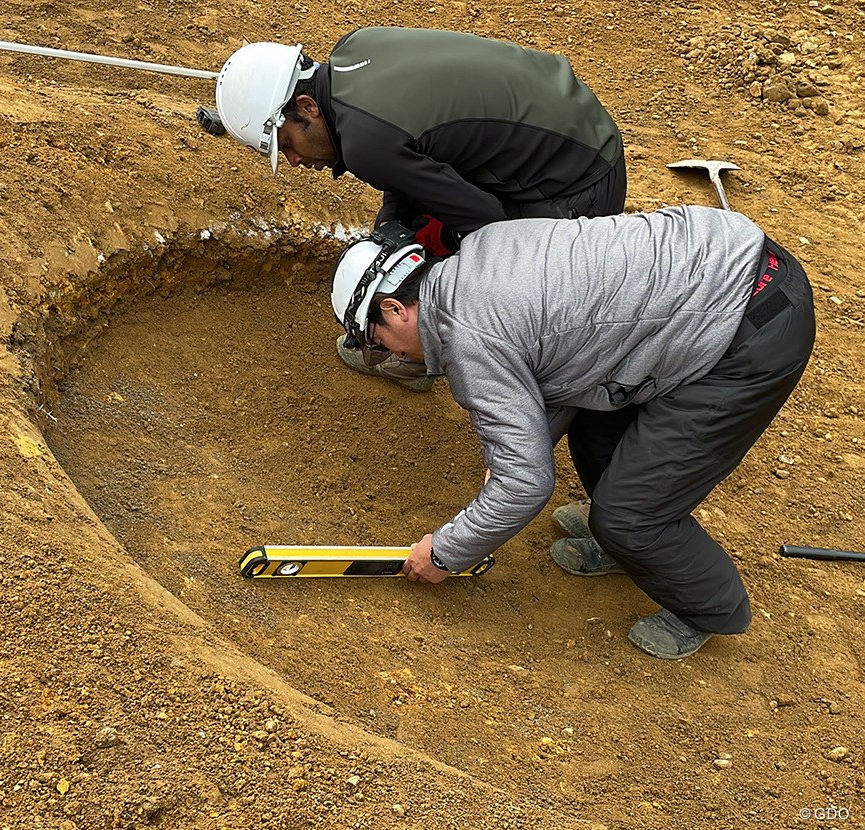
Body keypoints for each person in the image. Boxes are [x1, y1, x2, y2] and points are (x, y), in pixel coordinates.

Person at [328, 207, 815, 659]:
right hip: (725, 271)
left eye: (378, 344)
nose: (393, 357)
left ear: (395, 309)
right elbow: (556, 380)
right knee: (595, 429)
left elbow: (527, 483)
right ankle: (622, 541)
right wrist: (510, 460)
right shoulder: (479, 257)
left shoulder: (468, 336)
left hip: (746, 332)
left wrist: (447, 551)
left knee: (631, 516)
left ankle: (708, 606)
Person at [213, 27, 627, 394]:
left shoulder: (363, 145)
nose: (295, 162)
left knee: (493, 278)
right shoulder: (357, 47)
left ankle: (420, 351)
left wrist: (405, 264)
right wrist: (393, 231)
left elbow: (488, 223)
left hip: (576, 192)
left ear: (306, 107)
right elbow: (410, 166)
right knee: (424, 226)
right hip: (580, 131)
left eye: (286, 144)